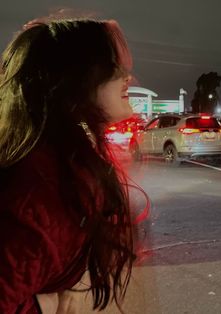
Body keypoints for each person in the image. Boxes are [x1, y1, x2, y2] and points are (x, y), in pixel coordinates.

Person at [0, 17, 135, 313]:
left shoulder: (56, 158)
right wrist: (43, 304)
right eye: (111, 67)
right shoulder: (42, 188)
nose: (128, 78)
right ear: (71, 79)